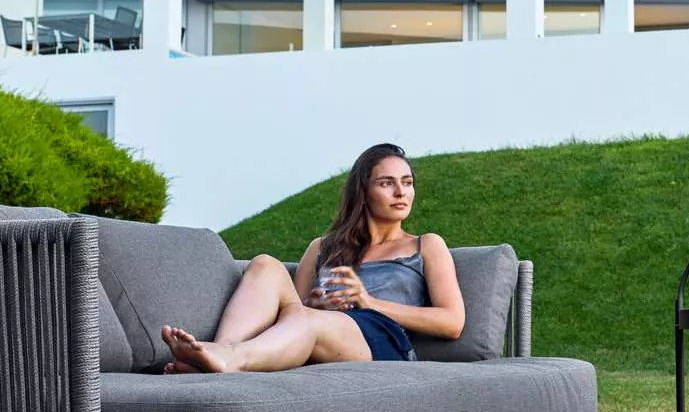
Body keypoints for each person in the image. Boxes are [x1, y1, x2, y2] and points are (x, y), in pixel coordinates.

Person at [160, 143, 465, 372]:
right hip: (323, 328)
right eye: (387, 183)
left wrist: (368, 301)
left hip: (383, 341)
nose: (401, 192)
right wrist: (316, 305)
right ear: (363, 192)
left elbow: (452, 322)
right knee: (265, 264)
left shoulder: (425, 245)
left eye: (407, 182)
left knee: (306, 320)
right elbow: (293, 309)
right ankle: (222, 352)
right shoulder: (322, 248)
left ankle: (229, 360)